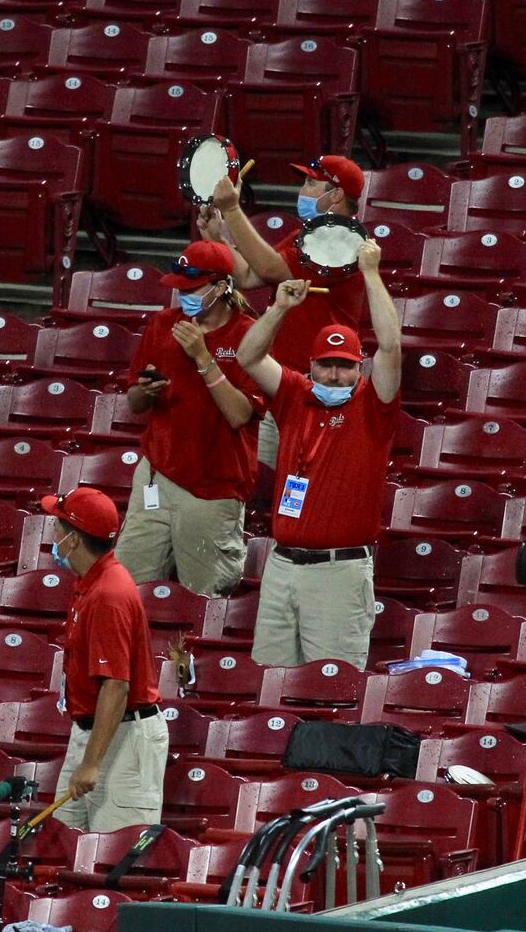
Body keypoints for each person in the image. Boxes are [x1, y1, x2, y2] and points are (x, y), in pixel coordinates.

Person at [236, 238, 402, 669]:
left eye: (344, 364)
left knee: (331, 690)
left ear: (359, 366)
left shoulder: (372, 405)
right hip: (282, 566)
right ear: (309, 365)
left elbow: (391, 346)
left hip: (338, 573)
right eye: (325, 363)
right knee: (268, 684)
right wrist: (279, 309)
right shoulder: (296, 393)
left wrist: (370, 273)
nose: (334, 373)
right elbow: (248, 356)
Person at [113, 240, 263, 597]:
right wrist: (145, 391)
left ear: (222, 286)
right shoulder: (163, 324)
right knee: (126, 591)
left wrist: (202, 356)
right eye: (178, 288)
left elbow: (240, 414)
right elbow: (134, 402)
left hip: (212, 488)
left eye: (191, 289)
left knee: (204, 600)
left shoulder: (249, 335)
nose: (182, 297)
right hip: (155, 477)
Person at [201, 153, 369, 468]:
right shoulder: (309, 234)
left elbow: (267, 266)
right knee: (265, 485)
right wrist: (216, 239)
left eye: (310, 183)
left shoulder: (344, 243)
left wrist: (232, 209)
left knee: (305, 486)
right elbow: (251, 276)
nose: (302, 191)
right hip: (281, 382)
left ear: (335, 194)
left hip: (320, 388)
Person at [46, 488, 169, 833]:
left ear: (73, 540)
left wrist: (91, 763)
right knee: (62, 842)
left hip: (124, 739)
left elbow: (116, 685)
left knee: (115, 855)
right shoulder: (92, 580)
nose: (53, 536)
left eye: (58, 527)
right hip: (94, 731)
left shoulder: (108, 594)